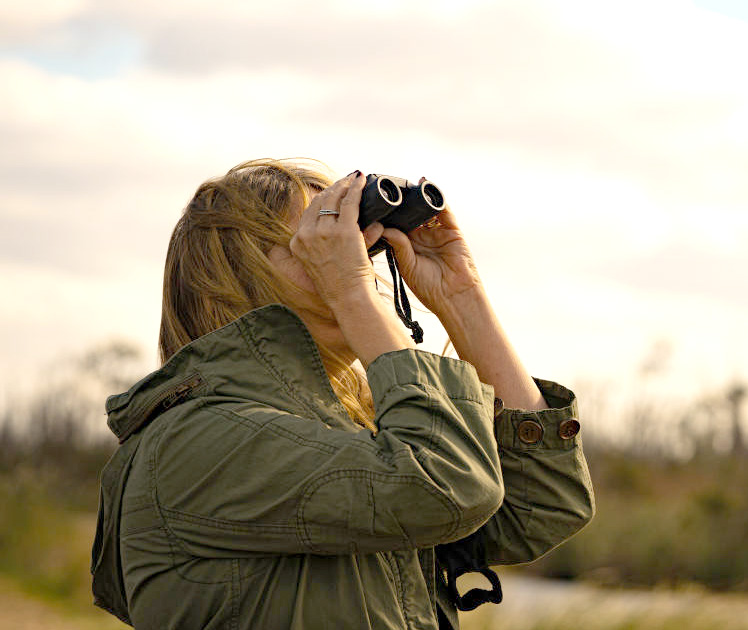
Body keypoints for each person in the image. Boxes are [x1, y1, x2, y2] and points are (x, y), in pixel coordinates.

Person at [91, 159, 595, 629]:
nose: (356, 256)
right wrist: (352, 288)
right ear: (237, 273)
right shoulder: (197, 441)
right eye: (320, 238)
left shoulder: (355, 437)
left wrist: (462, 298)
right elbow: (451, 483)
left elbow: (541, 510)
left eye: (353, 239)